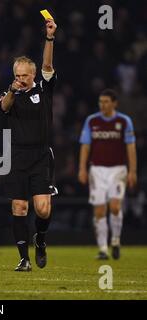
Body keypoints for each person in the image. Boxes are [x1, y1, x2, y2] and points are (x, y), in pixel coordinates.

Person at [0, 19, 58, 271]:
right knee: (19, 207)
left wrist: (50, 37)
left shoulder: (43, 88)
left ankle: (40, 240)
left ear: (33, 75)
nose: (20, 79)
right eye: (17, 75)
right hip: (18, 156)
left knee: (42, 210)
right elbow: (3, 107)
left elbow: (47, 64)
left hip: (41, 156)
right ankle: (24, 259)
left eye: (24, 75)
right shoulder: (10, 93)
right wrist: (12, 90)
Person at [78, 89, 137, 260]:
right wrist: (82, 168)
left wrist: (132, 171)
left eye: (106, 102)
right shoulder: (92, 121)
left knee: (115, 207)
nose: (102, 105)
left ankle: (116, 240)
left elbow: (130, 147)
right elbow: (85, 146)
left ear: (114, 103)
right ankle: (103, 248)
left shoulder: (124, 121)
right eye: (100, 102)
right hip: (97, 170)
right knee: (99, 210)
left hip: (118, 169)